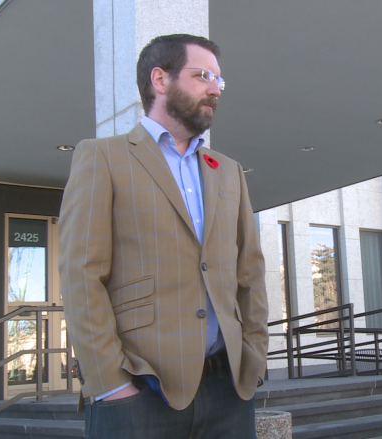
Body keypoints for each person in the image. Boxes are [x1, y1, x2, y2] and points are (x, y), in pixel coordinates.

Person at [58, 34, 268, 439]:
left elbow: (250, 274)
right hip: (139, 394)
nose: (215, 89)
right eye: (203, 75)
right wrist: (110, 384)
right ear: (160, 79)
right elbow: (81, 275)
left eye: (220, 80)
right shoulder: (103, 157)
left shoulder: (228, 171)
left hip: (229, 391)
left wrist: (254, 359)